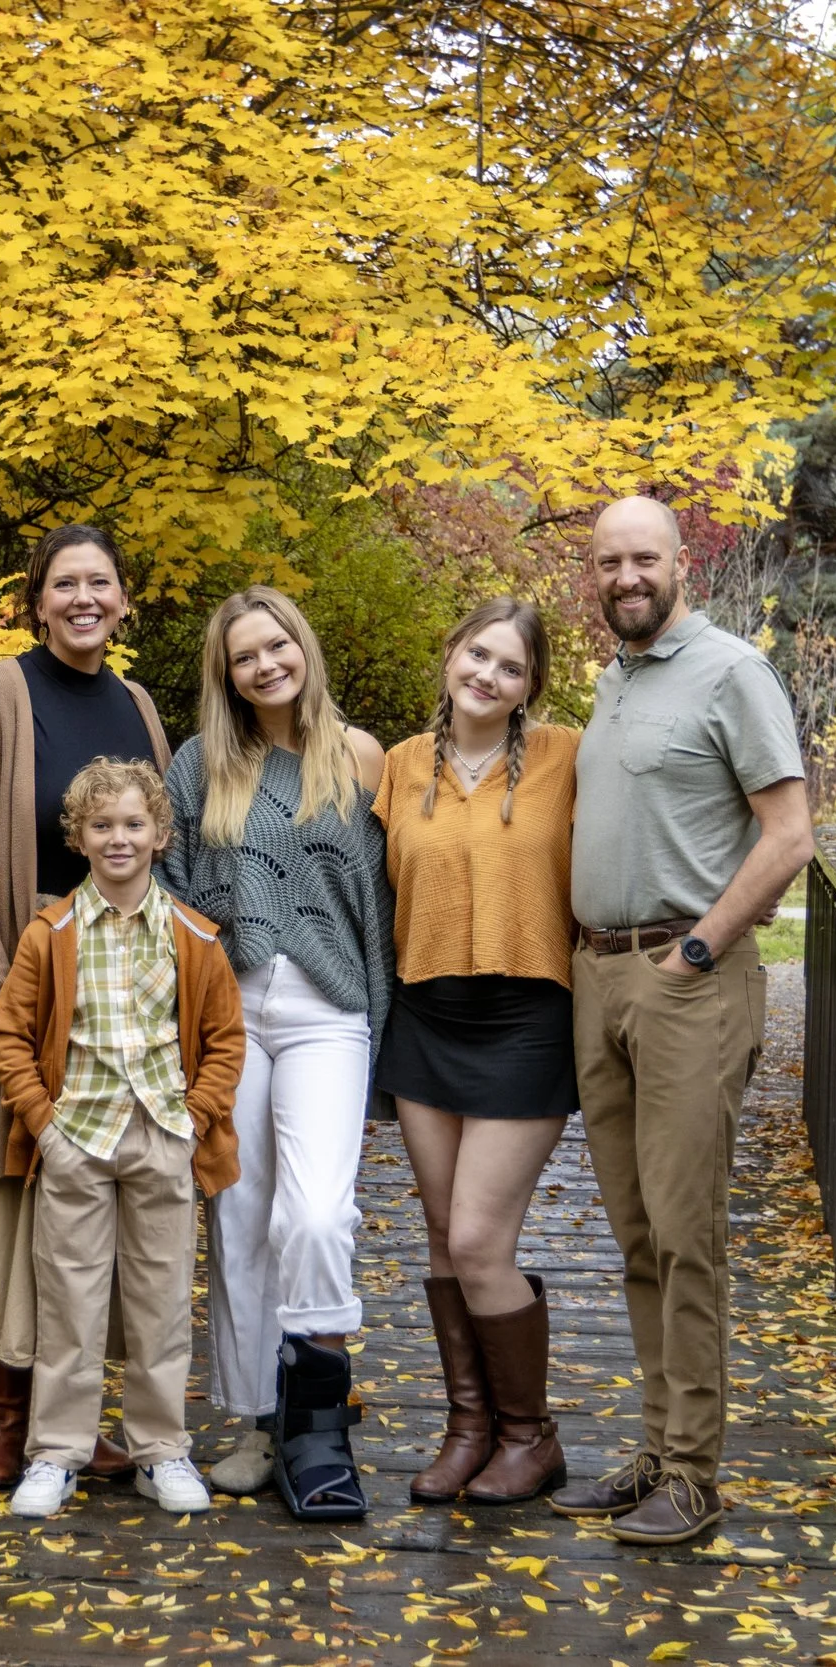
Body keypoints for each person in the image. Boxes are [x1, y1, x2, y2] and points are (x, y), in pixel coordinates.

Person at [549, 497, 813, 1544]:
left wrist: (696, 949)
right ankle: (657, 1448)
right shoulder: (614, 680)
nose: (625, 576)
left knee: (686, 1231)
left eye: (642, 558)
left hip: (684, 975)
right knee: (634, 1232)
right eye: (608, 560)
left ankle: (696, 1470)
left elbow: (788, 835)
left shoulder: (732, 672)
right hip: (599, 978)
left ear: (680, 564)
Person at [0, 525, 169, 1489]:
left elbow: (157, 849)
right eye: (64, 583)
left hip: (116, 994)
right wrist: (2, 1005)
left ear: (121, 598)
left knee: (96, 1197)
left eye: (98, 581)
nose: (82, 598)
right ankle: (7, 1413)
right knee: (16, 1191)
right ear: (37, 601)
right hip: (21, 984)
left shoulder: (139, 705)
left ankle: (73, 1417)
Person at [158, 586, 391, 1521]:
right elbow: (169, 889)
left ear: (305, 645)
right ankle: (257, 1420)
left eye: (278, 644)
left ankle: (317, 1412)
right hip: (233, 1010)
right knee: (242, 1212)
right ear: (227, 673)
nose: (266, 664)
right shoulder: (198, 764)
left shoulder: (360, 755)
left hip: (331, 1008)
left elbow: (389, 888)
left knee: (319, 1213)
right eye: (245, 655)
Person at [0, 759, 246, 1519]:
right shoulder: (53, 933)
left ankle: (159, 1449)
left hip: (164, 1136)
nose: (119, 838)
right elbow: (10, 1033)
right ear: (79, 838)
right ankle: (57, 1453)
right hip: (78, 1137)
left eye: (134, 823)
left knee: (161, 1301)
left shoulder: (195, 937)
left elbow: (226, 1039)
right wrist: (43, 1122)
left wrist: (194, 1118)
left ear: (161, 834)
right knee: (68, 1297)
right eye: (102, 825)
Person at [372, 598, 580, 1505]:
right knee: (442, 1236)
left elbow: (670, 807)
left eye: (510, 667)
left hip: (526, 1017)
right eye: (476, 655)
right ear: (449, 653)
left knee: (479, 1235)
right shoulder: (398, 766)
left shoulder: (570, 758)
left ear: (531, 686)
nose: (487, 677)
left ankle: (531, 1437)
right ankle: (470, 1430)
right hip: (426, 1015)